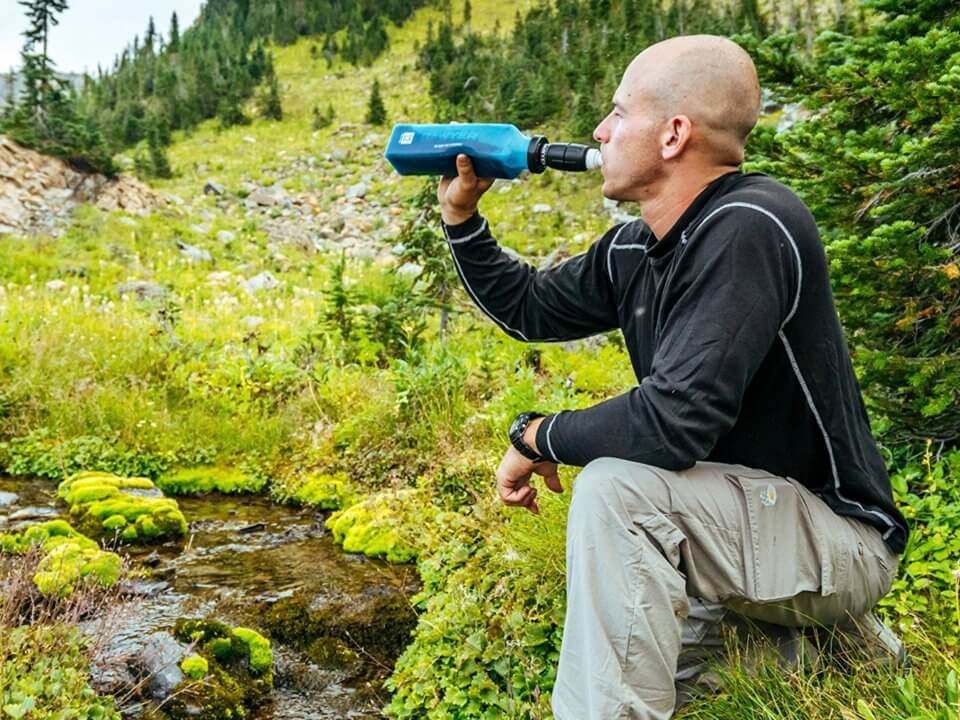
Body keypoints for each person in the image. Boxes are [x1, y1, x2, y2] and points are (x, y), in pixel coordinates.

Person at [436, 34, 908, 720]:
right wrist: (462, 219)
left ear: (673, 134)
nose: (600, 130)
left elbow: (674, 422)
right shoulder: (637, 244)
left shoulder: (752, 225)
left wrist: (537, 436)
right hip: (734, 531)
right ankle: (831, 651)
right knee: (682, 681)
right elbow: (529, 307)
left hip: (837, 537)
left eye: (619, 112)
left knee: (615, 491)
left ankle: (816, 623)